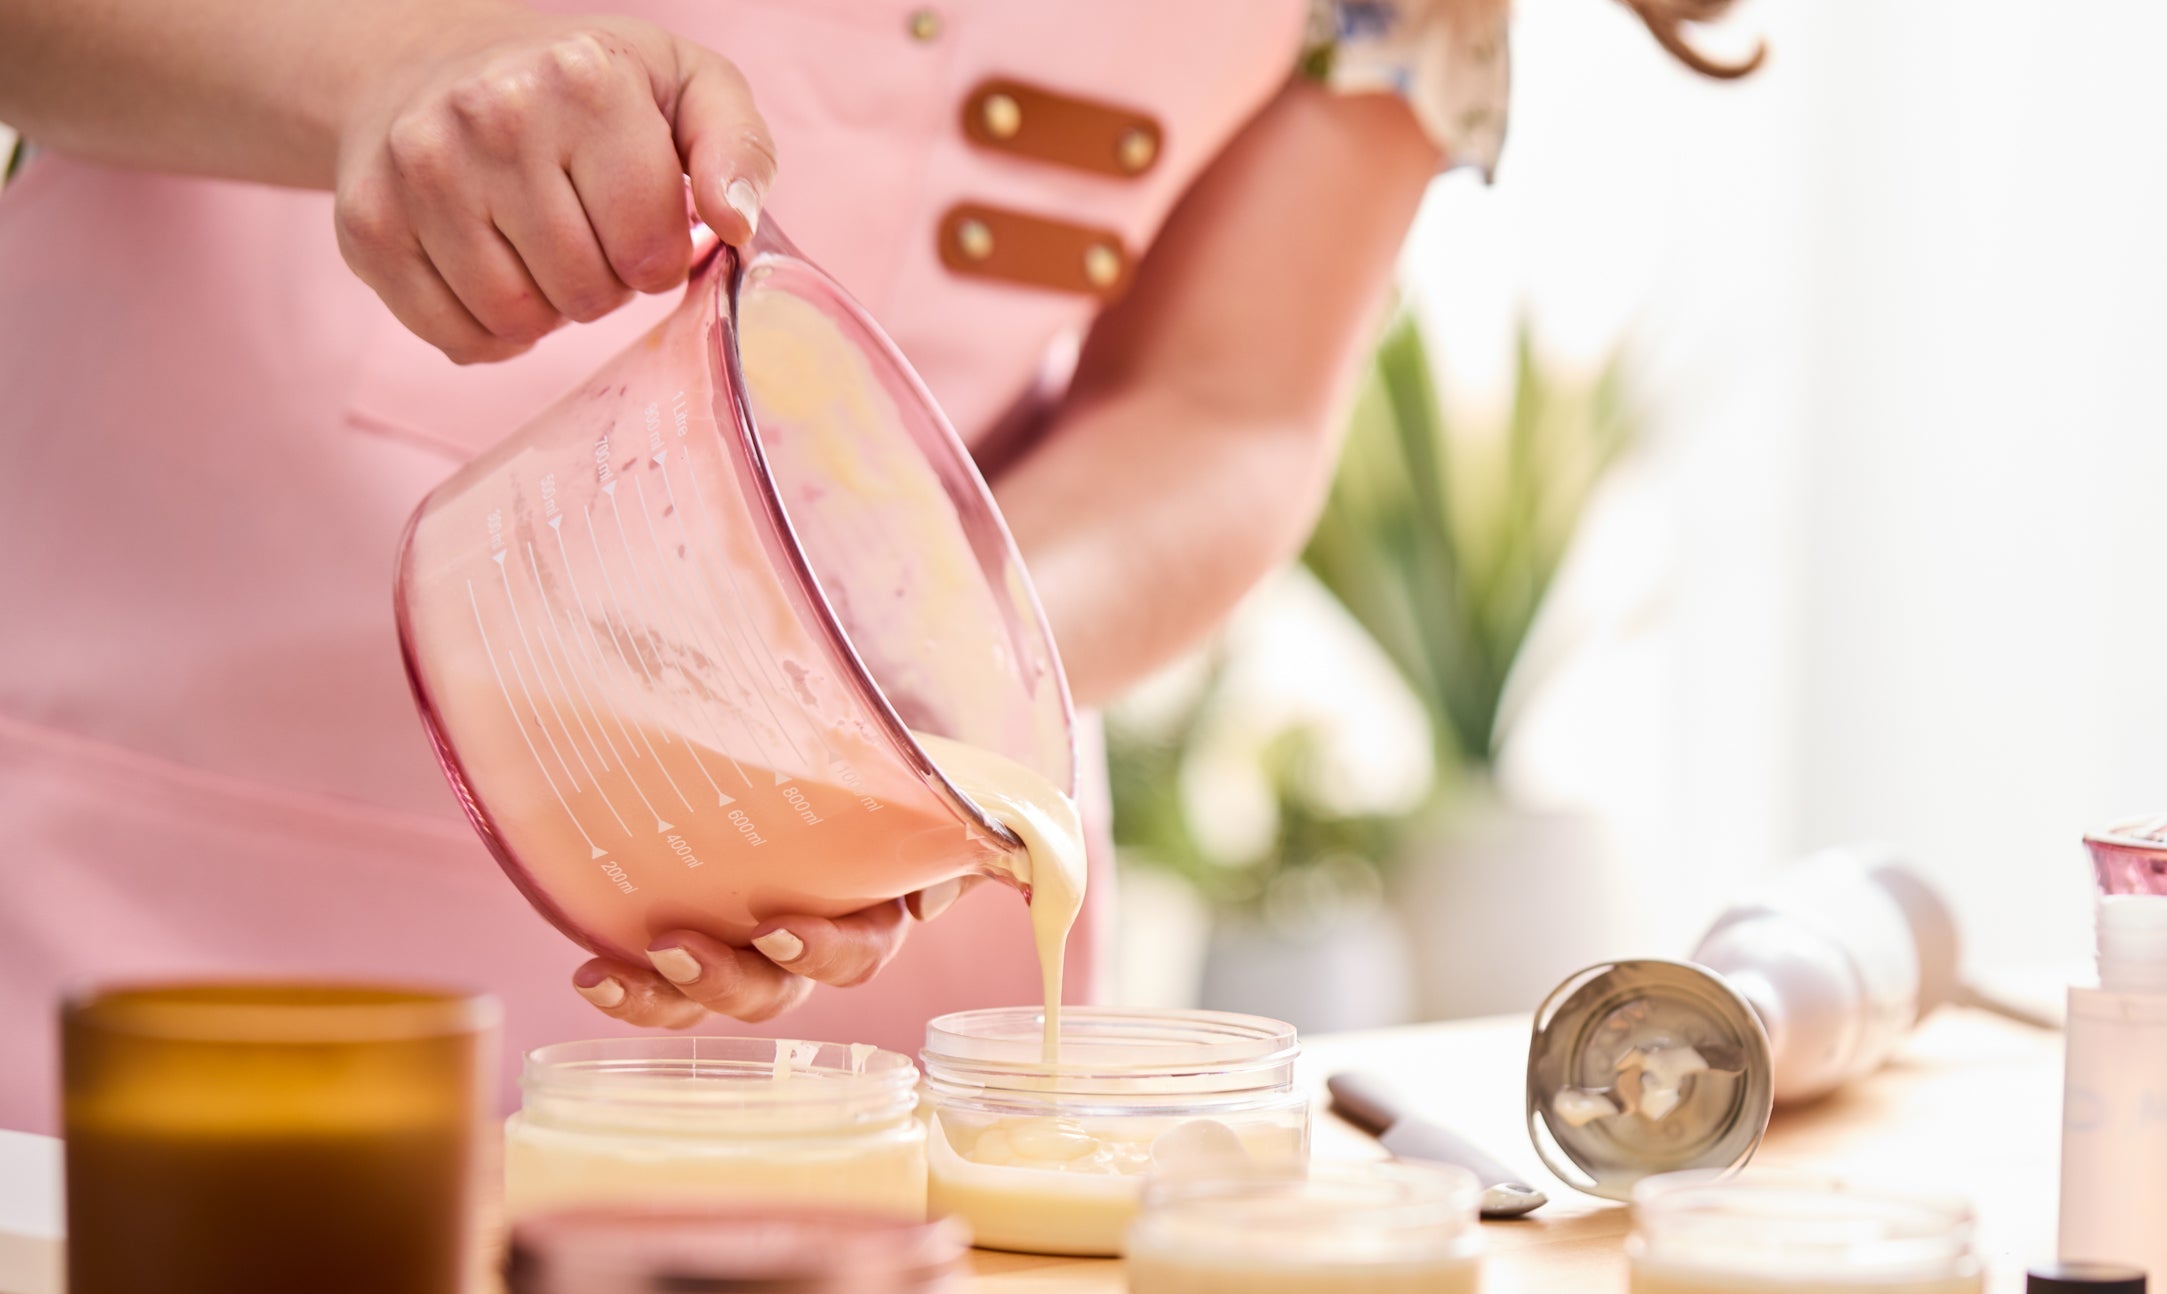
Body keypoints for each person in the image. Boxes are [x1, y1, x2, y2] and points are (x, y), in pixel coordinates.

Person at [0, 0, 1755, 1131]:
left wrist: (919, 725)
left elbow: (1224, 409)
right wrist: (371, 74)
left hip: (847, 1033)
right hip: (141, 904)